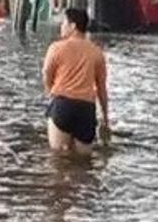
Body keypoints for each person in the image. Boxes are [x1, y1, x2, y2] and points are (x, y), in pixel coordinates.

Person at [43, 8, 110, 156]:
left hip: (63, 105)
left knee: (58, 160)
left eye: (64, 23)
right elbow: (101, 89)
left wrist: (50, 93)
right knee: (84, 162)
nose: (61, 26)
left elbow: (47, 74)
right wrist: (105, 118)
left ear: (73, 26)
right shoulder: (97, 52)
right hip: (86, 109)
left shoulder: (56, 48)